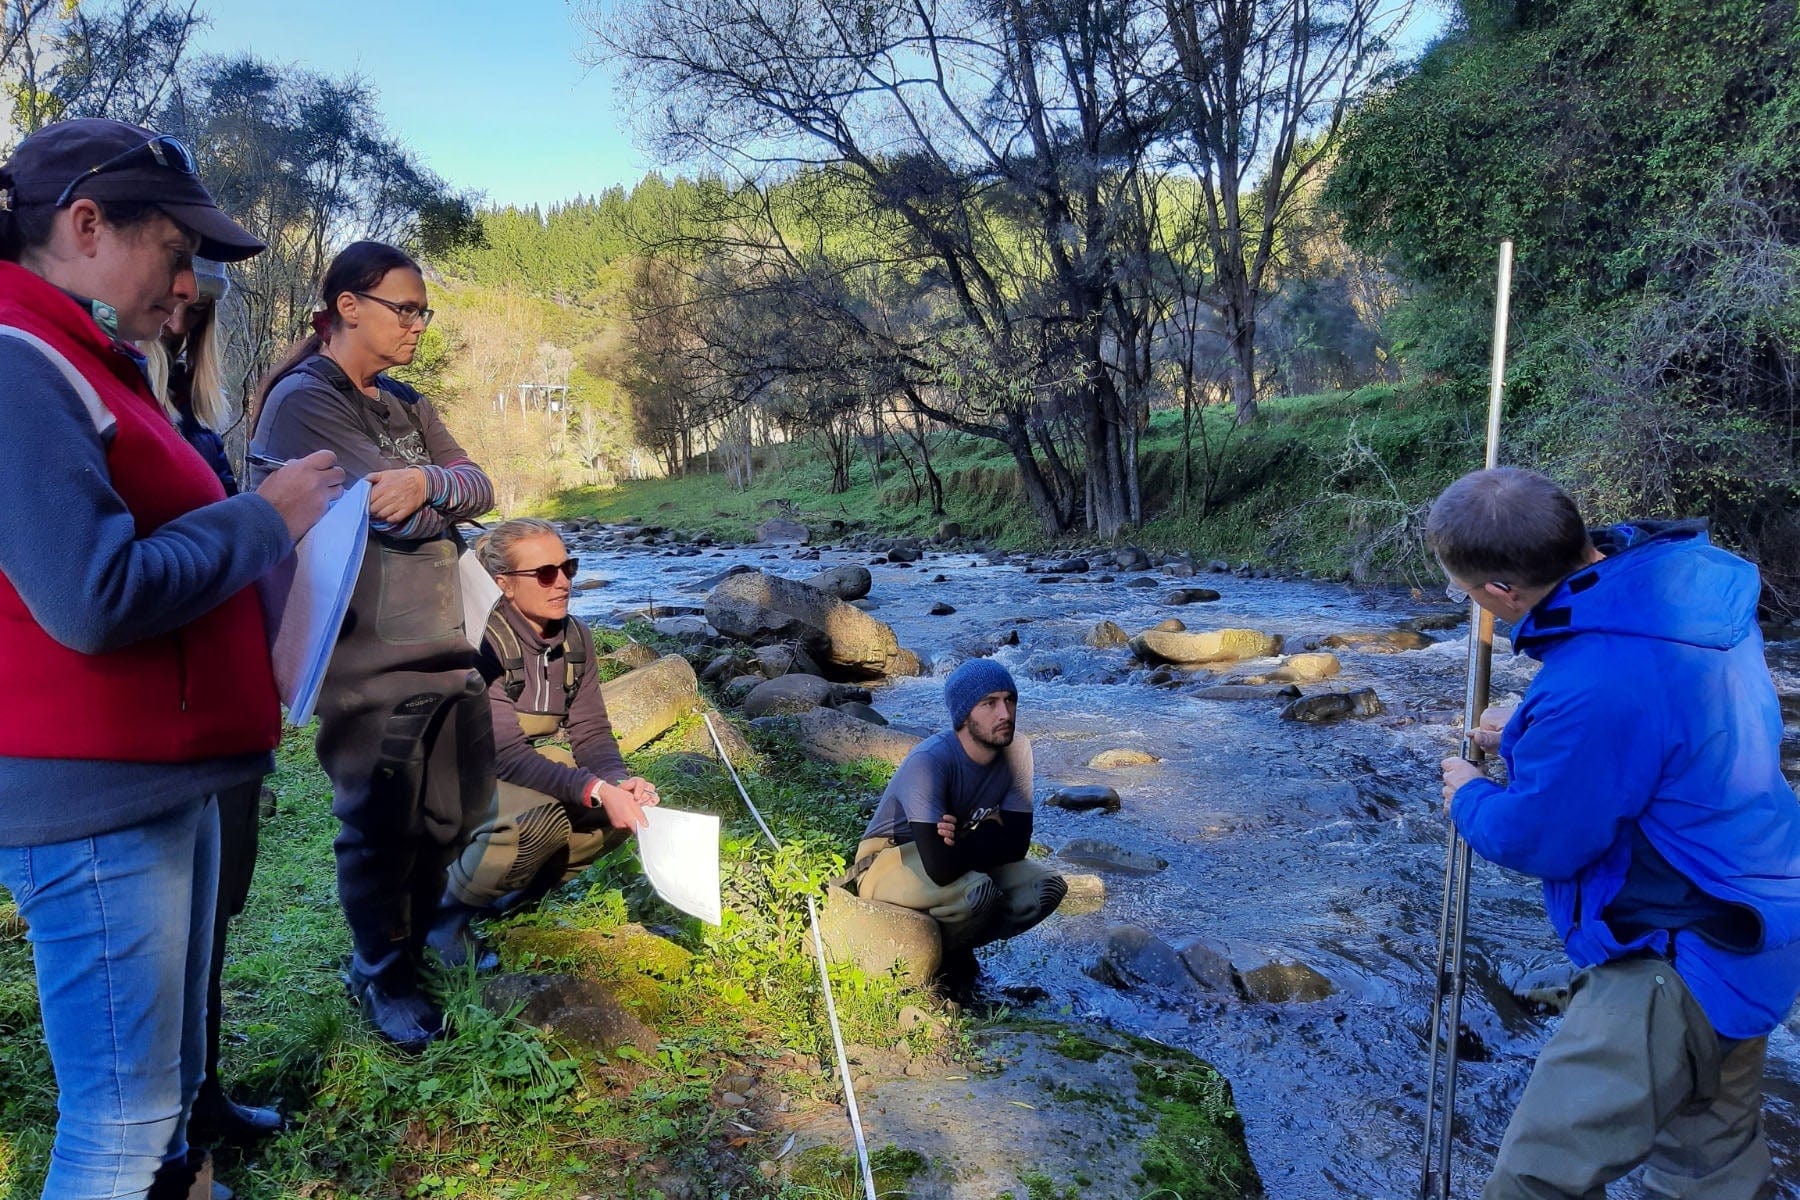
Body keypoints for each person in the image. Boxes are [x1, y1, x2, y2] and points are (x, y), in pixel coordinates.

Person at [0, 118, 342, 1200]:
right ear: (85, 225)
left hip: (162, 779)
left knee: (171, 1093)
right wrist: (265, 520)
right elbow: (91, 595)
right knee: (124, 1123)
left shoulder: (83, 359)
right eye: (175, 251)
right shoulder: (16, 363)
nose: (189, 283)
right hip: (98, 798)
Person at [1432, 466, 1800, 1199]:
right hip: (1759, 924)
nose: (1469, 601)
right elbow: (1666, 733)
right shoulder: (1680, 597)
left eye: (1463, 590)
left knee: (1534, 1179)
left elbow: (1543, 839)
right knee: (1710, 1172)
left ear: (1502, 592)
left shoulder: (1594, 682)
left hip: (1674, 958)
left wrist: (1468, 793)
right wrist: (1530, 731)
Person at [248, 240, 496, 1052]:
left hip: (445, 639)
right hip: (366, 651)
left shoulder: (406, 401)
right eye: (405, 308)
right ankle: (382, 972)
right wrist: (435, 496)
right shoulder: (302, 402)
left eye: (424, 311)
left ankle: (430, 932)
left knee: (454, 808)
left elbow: (478, 485)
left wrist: (429, 483)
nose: (418, 324)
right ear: (348, 307)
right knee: (379, 822)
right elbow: (381, 513)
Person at [142, 259, 287, 1156]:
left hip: (222, 710)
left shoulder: (198, 424)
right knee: (159, 942)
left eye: (200, 316)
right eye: (174, 305)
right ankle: (164, 1137)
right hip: (159, 720)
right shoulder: (120, 412)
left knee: (210, 922)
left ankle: (203, 1102)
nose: (182, 326)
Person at [428, 518, 661, 969]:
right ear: (504, 584)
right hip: (444, 779)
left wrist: (617, 783)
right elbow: (506, 754)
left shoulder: (575, 638)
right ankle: (445, 917)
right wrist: (594, 789)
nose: (563, 582)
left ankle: (512, 896)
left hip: (504, 771)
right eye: (545, 573)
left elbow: (591, 731)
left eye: (568, 567)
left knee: (627, 814)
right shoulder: (478, 642)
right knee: (536, 819)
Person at [851, 660, 1067, 976]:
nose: (1005, 714)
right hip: (886, 860)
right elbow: (941, 868)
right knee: (976, 892)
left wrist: (962, 841)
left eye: (1009, 700)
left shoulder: (1016, 749)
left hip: (951, 851)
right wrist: (991, 830)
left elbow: (1017, 845)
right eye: (989, 703)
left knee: (1046, 887)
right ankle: (937, 962)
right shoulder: (930, 760)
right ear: (964, 715)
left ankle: (954, 946)